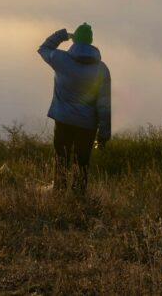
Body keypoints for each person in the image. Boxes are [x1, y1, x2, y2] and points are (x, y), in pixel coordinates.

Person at [37, 23, 111, 195]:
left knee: (61, 160)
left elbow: (43, 48)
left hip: (63, 120)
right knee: (82, 164)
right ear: (91, 41)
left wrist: (63, 35)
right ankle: (78, 199)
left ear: (75, 39)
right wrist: (103, 134)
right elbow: (104, 105)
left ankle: (59, 194)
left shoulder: (60, 59)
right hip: (88, 125)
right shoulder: (101, 69)